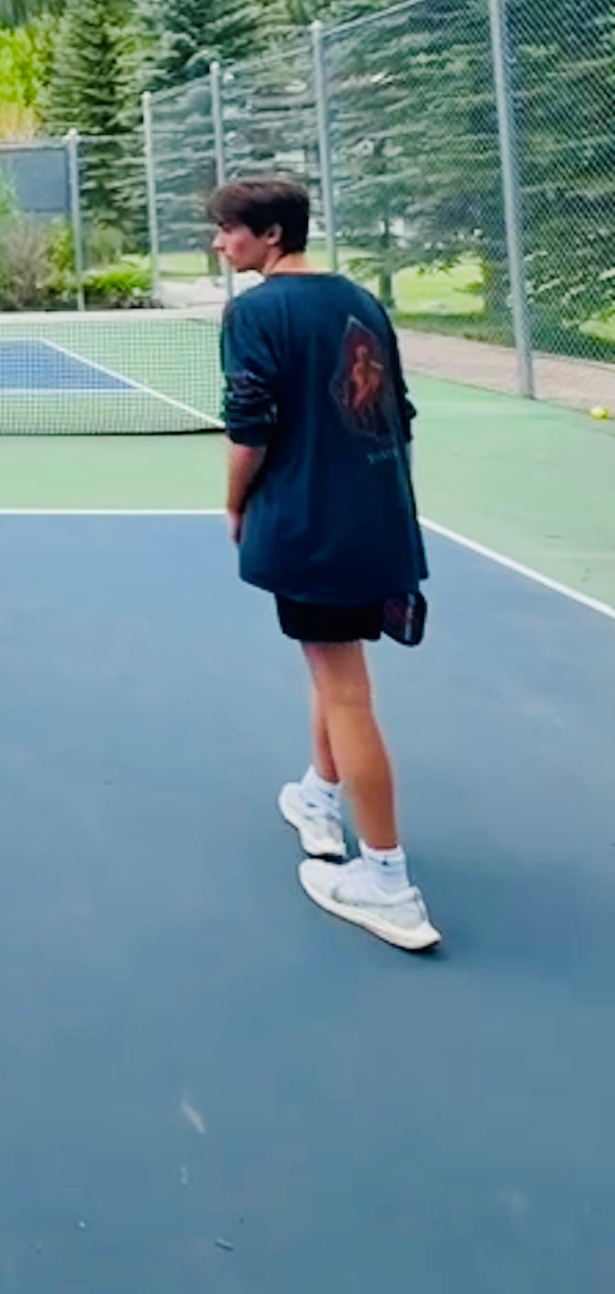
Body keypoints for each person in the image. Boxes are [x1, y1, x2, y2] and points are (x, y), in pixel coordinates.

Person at [213, 175, 439, 952]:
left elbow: (250, 425)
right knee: (334, 668)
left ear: (270, 235)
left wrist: (236, 502)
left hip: (313, 526)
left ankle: (387, 881)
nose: (220, 243)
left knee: (346, 691)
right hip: (375, 521)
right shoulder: (364, 300)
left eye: (229, 231)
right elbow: (397, 416)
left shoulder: (254, 311)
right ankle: (318, 797)